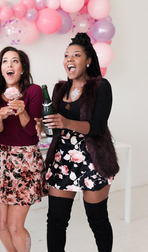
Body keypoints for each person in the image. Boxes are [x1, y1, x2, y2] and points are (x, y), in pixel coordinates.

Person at [36, 33, 119, 252]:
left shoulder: (101, 87)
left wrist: (65, 121)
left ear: (88, 60)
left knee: (97, 220)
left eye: (76, 55)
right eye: (66, 55)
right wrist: (44, 127)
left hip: (93, 160)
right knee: (55, 221)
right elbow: (54, 128)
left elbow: (97, 126)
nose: (69, 59)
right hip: (62, 160)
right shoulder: (59, 89)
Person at [0, 46, 46, 252]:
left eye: (15, 61)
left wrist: (21, 111)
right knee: (1, 225)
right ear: (1, 68)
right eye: (5, 61)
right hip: (1, 159)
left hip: (26, 160)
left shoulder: (33, 91)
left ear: (22, 68)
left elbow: (32, 132)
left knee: (14, 226)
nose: (9, 65)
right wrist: (0, 118)